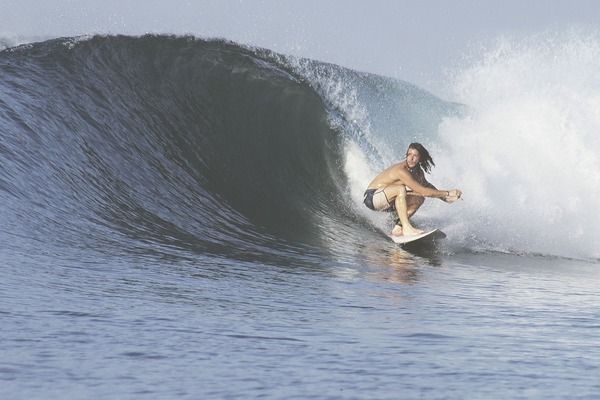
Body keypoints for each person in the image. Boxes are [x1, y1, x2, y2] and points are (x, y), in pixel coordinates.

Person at [363, 143, 462, 236]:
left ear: (420, 158)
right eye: (409, 154)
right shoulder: (401, 170)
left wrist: (445, 198)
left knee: (419, 198)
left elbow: (426, 186)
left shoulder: (418, 172)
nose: (411, 158)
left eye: (415, 155)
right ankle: (407, 228)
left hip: (387, 202)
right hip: (372, 197)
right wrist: (447, 193)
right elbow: (424, 191)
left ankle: (398, 227)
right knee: (400, 189)